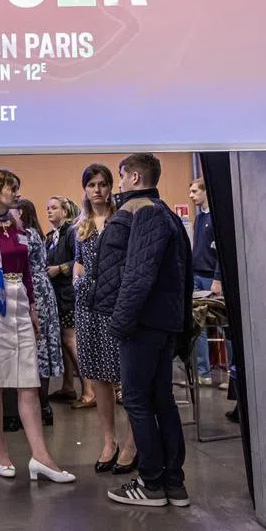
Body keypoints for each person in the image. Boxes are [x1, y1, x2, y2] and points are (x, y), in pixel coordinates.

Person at [0, 169, 75, 483]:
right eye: (13, 189)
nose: (17, 194)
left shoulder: (17, 226)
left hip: (19, 301)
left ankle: (41, 456)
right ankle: (0, 451)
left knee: (28, 379)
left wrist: (34, 308)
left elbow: (26, 270)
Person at [99, 153, 192, 508]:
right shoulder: (162, 212)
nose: (118, 183)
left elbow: (139, 274)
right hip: (158, 322)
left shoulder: (146, 212)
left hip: (144, 323)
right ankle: (171, 482)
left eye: (121, 176)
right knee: (158, 399)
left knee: (138, 400)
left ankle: (153, 482)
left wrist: (120, 323)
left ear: (135, 177)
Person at [73, 163, 137, 474]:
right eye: (91, 185)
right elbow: (78, 263)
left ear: (111, 186)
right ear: (84, 189)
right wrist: (78, 281)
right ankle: (109, 440)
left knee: (127, 374)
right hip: (87, 305)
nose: (97, 189)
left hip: (118, 303)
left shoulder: (123, 218)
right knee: (98, 375)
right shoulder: (80, 225)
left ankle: (132, 442)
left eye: (102, 183)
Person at [14, 199, 63, 427]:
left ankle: (41, 406)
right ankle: (42, 407)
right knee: (41, 350)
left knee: (38, 351)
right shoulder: (37, 233)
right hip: (42, 290)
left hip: (34, 294)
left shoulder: (26, 235)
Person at [44, 196, 81, 403]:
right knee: (64, 341)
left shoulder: (72, 232)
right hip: (58, 295)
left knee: (70, 340)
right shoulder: (52, 236)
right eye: (47, 208)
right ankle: (68, 386)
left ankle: (89, 389)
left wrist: (60, 269)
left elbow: (80, 259)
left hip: (69, 294)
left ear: (65, 211)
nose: (49, 211)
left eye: (54, 208)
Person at [188, 178, 221, 386]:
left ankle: (234, 380)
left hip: (211, 278)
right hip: (196, 276)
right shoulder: (199, 219)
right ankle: (203, 372)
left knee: (223, 325)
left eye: (194, 191)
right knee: (196, 325)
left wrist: (217, 279)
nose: (191, 195)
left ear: (205, 192)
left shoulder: (217, 218)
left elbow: (221, 253)